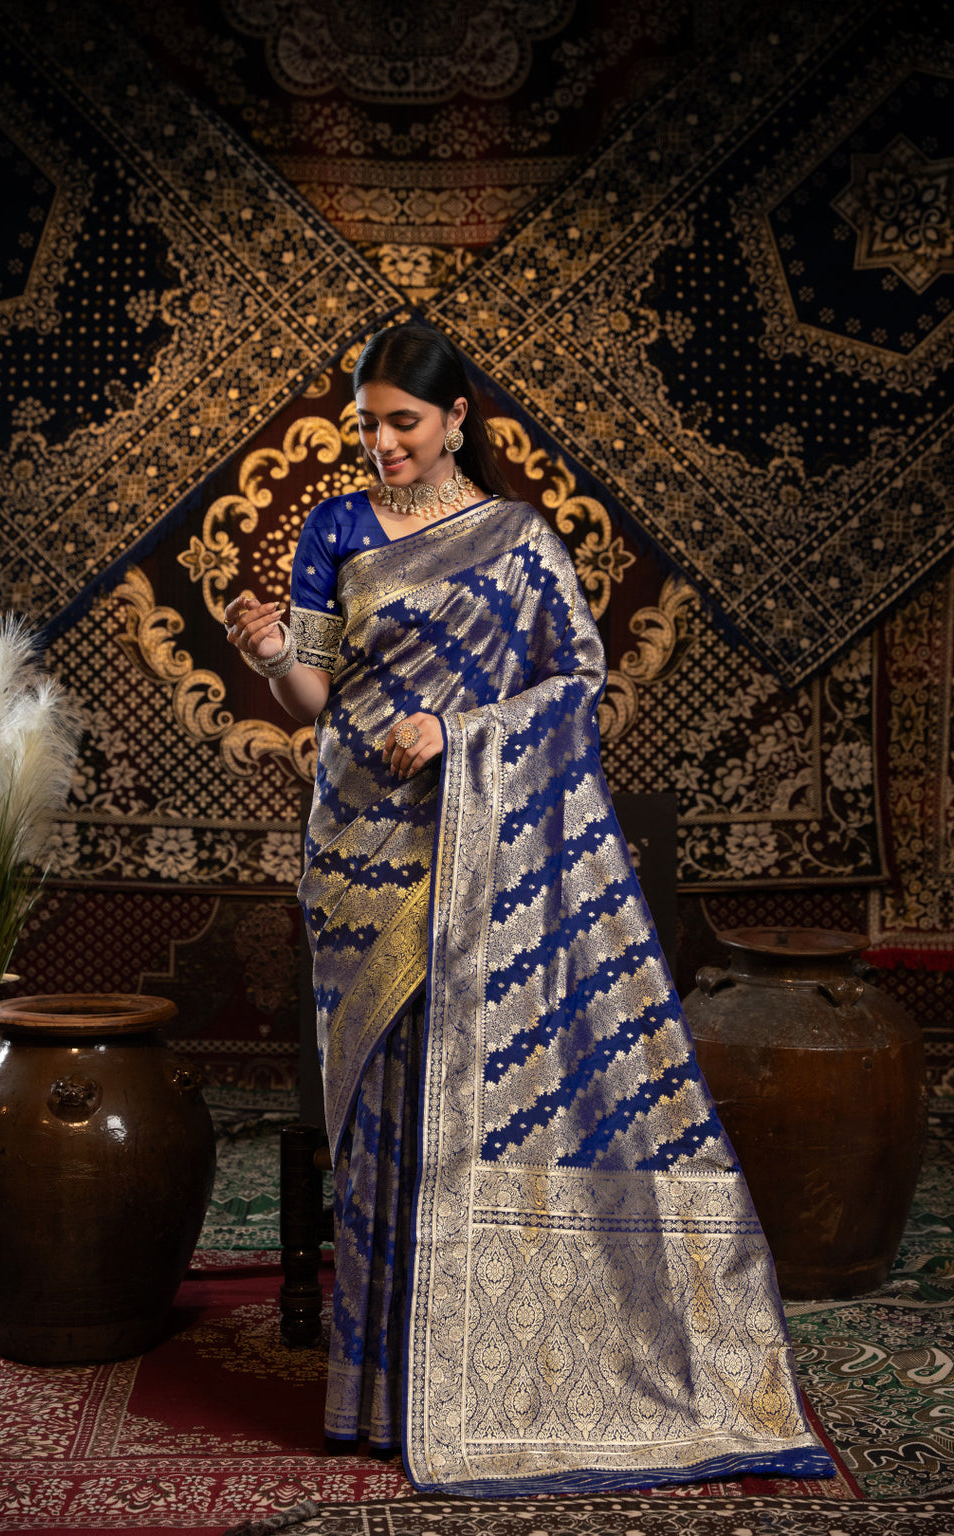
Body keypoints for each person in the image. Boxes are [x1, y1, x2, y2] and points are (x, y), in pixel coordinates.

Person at [223, 322, 834, 1496]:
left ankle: (473, 1374)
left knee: (467, 1098)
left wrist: (460, 732)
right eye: (369, 424)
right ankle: (376, 1399)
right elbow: (313, 695)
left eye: (405, 421)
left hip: (484, 852)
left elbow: (577, 683)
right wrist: (265, 654)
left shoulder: (518, 541)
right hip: (359, 849)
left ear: (456, 420)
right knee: (381, 1110)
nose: (384, 442)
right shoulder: (333, 530)